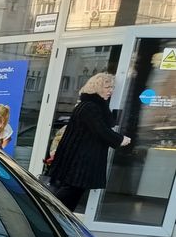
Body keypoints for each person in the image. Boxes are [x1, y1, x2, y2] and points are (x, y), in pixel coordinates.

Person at [49, 72, 131, 211]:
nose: (110, 90)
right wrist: (120, 139)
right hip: (80, 160)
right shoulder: (89, 107)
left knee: (72, 193)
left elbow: (101, 127)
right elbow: (100, 130)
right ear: (97, 87)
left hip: (80, 159)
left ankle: (57, 219)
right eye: (107, 87)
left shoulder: (93, 105)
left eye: (112, 87)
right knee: (69, 194)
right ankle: (52, 218)